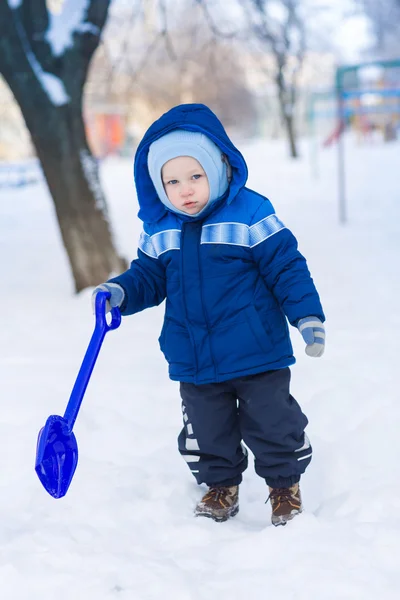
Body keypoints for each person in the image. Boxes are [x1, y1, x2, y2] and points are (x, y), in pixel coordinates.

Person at [92, 103, 325, 526]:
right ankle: (221, 485)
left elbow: (286, 266)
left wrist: (306, 316)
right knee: (206, 430)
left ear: (218, 167)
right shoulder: (161, 229)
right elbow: (149, 276)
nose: (185, 190)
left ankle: (284, 486)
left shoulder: (251, 214)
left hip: (257, 351)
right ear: (158, 186)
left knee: (273, 423)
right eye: (173, 181)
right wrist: (121, 291)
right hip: (194, 357)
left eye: (195, 176)